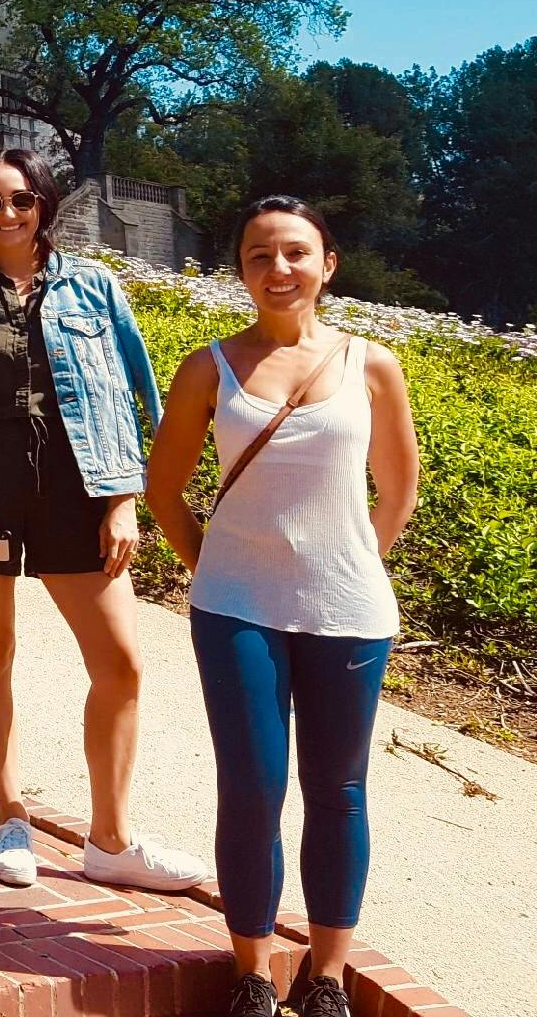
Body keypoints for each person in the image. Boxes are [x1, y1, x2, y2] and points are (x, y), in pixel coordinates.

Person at [0, 147, 205, 892]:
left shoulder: (94, 286)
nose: (7, 214)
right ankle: (10, 816)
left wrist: (123, 500)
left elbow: (132, 394)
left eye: (21, 200)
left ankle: (111, 841)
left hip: (76, 490)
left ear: (44, 204)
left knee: (120, 662)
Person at [144, 197, 419, 1017]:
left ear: (327, 265)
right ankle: (254, 974)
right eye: (259, 255)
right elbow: (164, 491)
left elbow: (397, 492)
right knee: (252, 789)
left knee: (338, 791)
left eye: (296, 252)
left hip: (349, 613)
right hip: (237, 610)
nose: (278, 268)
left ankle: (327, 977)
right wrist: (217, 573)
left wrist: (349, 564)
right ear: (241, 269)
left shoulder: (372, 364)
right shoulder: (209, 368)